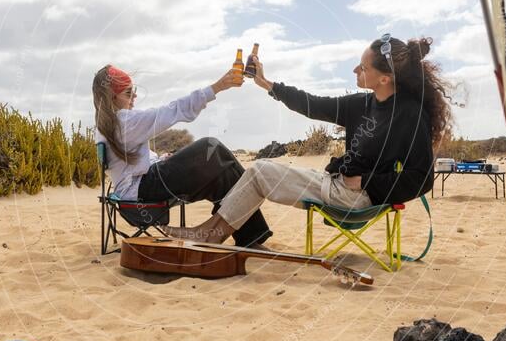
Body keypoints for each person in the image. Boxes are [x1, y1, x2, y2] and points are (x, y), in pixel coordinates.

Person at [163, 34, 453, 245]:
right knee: (260, 171)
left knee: (261, 171)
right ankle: (210, 232)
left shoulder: (409, 115)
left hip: (356, 198)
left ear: (385, 78)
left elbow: (422, 178)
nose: (355, 71)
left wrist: (367, 182)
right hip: (338, 185)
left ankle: (210, 235)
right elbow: (313, 104)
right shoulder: (362, 105)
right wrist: (267, 84)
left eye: (363, 68)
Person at [92, 64, 273, 248]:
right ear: (112, 98)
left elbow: (131, 165)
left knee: (223, 174)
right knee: (211, 148)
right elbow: (171, 111)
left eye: (134, 91)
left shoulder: (110, 125)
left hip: (140, 188)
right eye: (128, 93)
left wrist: (162, 159)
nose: (135, 96)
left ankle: (245, 236)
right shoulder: (123, 121)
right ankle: (248, 234)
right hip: (143, 191)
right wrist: (217, 87)